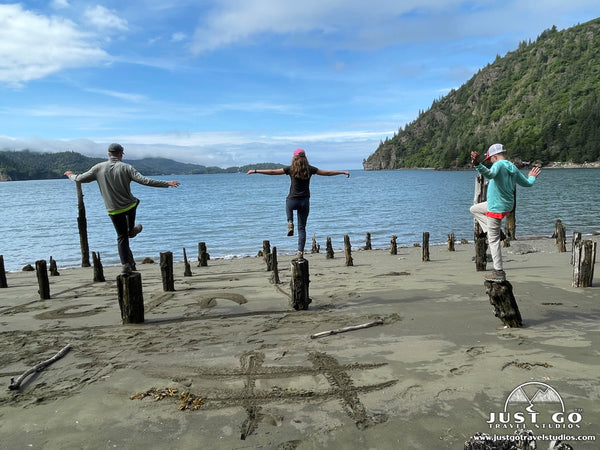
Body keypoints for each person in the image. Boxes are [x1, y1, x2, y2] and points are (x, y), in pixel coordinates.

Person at [64, 143, 180, 273]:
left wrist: (70, 175)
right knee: (135, 204)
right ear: (121, 154)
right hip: (129, 206)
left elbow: (79, 178)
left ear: (109, 154)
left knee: (121, 237)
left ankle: (125, 265)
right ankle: (131, 230)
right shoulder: (126, 167)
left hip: (113, 209)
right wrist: (167, 183)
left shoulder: (98, 168)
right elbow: (145, 181)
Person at [247, 148, 349, 258]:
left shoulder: (290, 169)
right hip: (304, 201)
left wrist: (256, 171)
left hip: (292, 200)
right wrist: (342, 172)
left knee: (288, 203)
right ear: (305, 157)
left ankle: (290, 222)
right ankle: (300, 252)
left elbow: (272, 172)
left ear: (294, 158)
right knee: (302, 228)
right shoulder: (310, 169)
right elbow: (327, 173)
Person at [469, 143, 541, 282]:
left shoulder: (498, 165)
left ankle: (499, 271)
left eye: (490, 158)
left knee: (493, 240)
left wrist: (477, 164)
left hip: (496, 206)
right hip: (505, 205)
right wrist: (532, 177)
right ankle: (491, 230)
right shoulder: (512, 167)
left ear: (495, 156)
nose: (490, 161)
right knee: (474, 209)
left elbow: (490, 174)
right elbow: (527, 183)